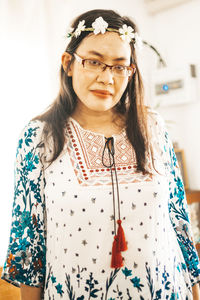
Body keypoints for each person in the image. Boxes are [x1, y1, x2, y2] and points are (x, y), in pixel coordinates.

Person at [1, 8, 200, 300]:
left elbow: (179, 223)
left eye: (120, 66)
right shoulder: (38, 138)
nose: (108, 78)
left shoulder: (153, 127)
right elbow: (30, 246)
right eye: (94, 62)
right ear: (68, 63)